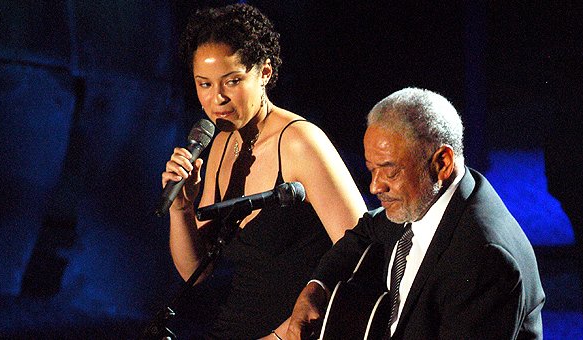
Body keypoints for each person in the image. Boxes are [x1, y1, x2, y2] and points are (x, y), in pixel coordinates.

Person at [161, 4, 367, 339]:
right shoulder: (221, 142)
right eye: (204, 84)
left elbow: (363, 252)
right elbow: (195, 273)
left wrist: (287, 333)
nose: (218, 99)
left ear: (265, 73)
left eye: (233, 81)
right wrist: (180, 209)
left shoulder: (300, 142)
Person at [287, 88, 545, 339]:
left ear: (442, 163)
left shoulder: (484, 258)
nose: (375, 186)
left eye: (390, 171)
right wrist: (316, 288)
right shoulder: (420, 201)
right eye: (371, 169)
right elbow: (363, 232)